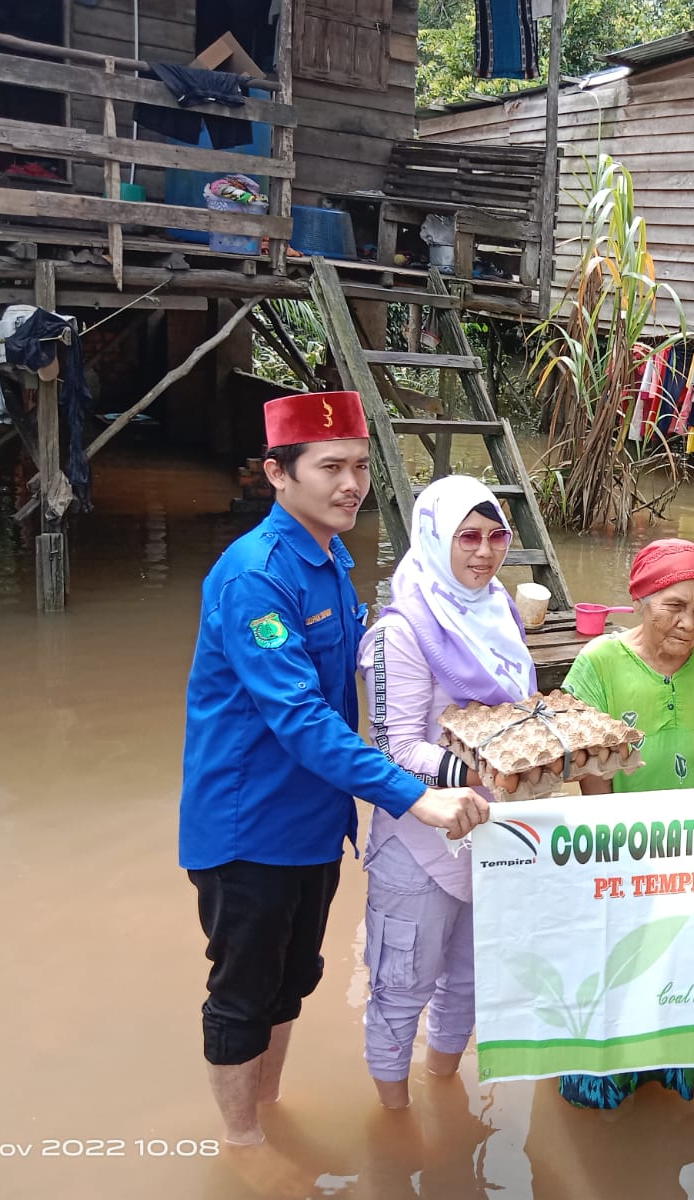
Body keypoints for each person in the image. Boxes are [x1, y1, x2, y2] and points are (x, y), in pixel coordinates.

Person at [178, 391, 488, 1148]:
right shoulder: (256, 576)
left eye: (359, 466)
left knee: (292, 982)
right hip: (248, 826)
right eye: (331, 468)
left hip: (316, 823)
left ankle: (269, 1108)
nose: (352, 483)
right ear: (278, 474)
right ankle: (242, 1145)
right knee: (243, 993)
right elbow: (303, 720)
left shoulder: (330, 561)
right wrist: (417, 795)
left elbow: (371, 671)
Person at [357, 476, 537, 1109]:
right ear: (434, 536)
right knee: (402, 988)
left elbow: (516, 714)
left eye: (495, 537)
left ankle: (441, 1094)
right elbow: (392, 749)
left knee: (467, 981)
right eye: (468, 537)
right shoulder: (400, 631)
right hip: (420, 842)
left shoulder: (500, 610)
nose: (484, 553)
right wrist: (480, 770)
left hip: (490, 835)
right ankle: (394, 1121)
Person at [559, 537, 694, 1108]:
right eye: (674, 605)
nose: (689, 623)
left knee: (684, 967)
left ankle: (667, 1067)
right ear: (640, 598)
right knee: (617, 967)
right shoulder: (598, 664)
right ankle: (602, 1077)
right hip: (623, 856)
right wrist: (621, 866)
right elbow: (592, 779)